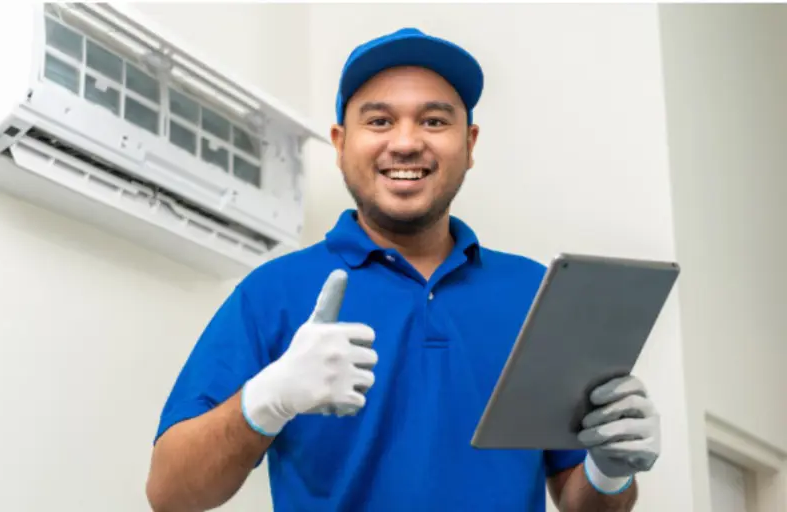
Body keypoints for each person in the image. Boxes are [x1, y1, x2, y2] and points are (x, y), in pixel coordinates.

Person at [145, 27, 661, 512]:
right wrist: (269, 399)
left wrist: (609, 470)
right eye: (379, 121)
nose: (407, 142)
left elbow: (579, 498)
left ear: (470, 143)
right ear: (341, 142)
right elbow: (170, 492)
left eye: (434, 121)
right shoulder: (274, 292)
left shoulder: (535, 294)